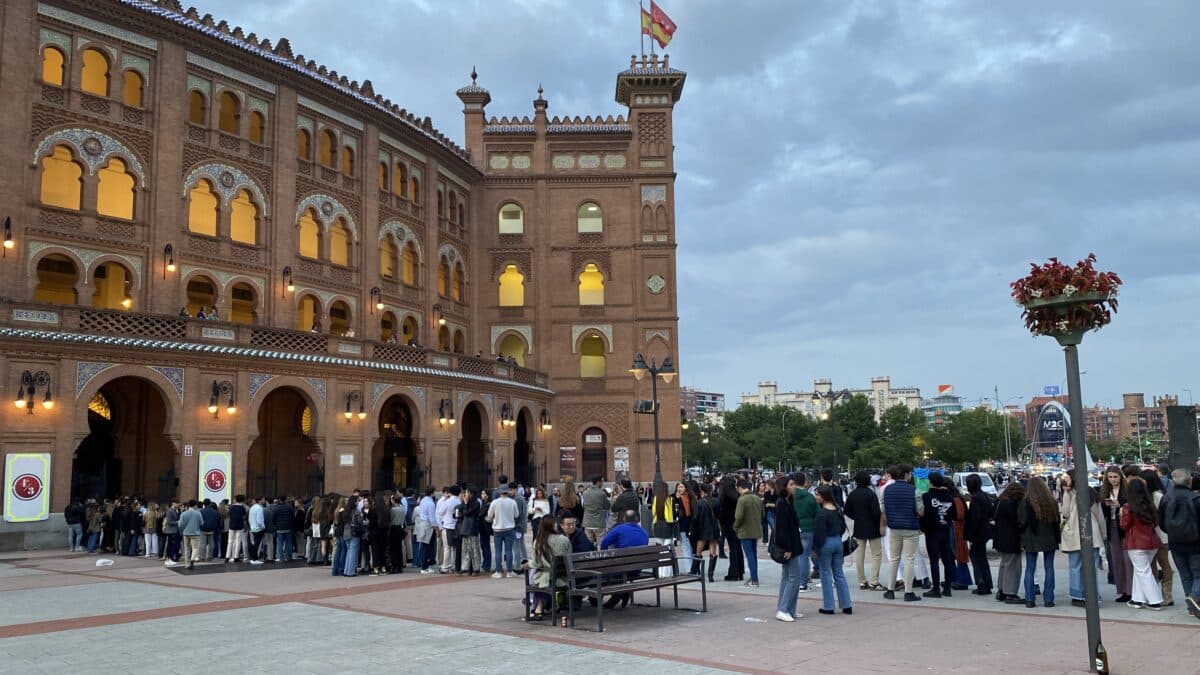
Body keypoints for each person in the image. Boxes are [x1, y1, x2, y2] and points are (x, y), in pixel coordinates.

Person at [1059, 471, 1104, 607]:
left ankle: (1077, 595)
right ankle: (1093, 595)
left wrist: (1066, 493)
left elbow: (1065, 512)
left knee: (1075, 566)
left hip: (1074, 534)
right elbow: (1099, 515)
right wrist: (1103, 534)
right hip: (1092, 532)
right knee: (1091, 567)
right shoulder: (1091, 492)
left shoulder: (1069, 493)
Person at [1160, 469, 1200, 618]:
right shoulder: (1195, 499)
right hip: (1196, 543)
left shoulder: (1166, 498)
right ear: (1189, 481)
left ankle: (1192, 607)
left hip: (1175, 542)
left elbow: (1162, 523)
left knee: (1185, 575)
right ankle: (1194, 598)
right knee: (1198, 574)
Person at [881, 465, 924, 602]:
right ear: (906, 475)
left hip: (894, 528)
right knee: (909, 559)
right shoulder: (913, 490)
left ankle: (890, 590)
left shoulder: (886, 490)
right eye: (910, 473)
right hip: (910, 527)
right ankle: (908, 591)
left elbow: (883, 510)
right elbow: (920, 511)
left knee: (894, 559)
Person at [1122, 477, 1164, 610]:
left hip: (1136, 542)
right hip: (1152, 542)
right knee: (1141, 570)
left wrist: (1120, 514)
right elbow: (1156, 522)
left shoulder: (1128, 507)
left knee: (1142, 571)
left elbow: (1124, 525)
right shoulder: (1150, 504)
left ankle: (1155, 600)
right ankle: (1137, 599)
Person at [1018, 476, 1060, 608]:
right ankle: (1049, 599)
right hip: (1048, 536)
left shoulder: (1026, 502)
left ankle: (1030, 599)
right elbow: (1056, 520)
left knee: (1030, 567)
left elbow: (1021, 521)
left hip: (1031, 537)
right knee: (1049, 567)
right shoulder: (1051, 501)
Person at [813, 484, 852, 615]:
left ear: (823, 496)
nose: (816, 497)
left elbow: (819, 534)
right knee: (839, 574)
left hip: (826, 542)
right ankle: (846, 604)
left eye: (817, 494)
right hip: (837, 541)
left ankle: (829, 606)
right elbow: (842, 528)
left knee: (826, 574)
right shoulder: (837, 509)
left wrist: (816, 548)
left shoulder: (821, 514)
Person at [600, 510, 650, 609]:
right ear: (638, 519)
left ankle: (620, 594)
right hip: (637, 570)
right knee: (616, 571)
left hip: (621, 569)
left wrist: (605, 559)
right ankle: (621, 594)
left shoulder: (619, 529)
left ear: (624, 519)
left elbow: (604, 542)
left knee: (602, 574)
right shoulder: (644, 532)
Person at [773, 475, 805, 622]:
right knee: (794, 578)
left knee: (787, 578)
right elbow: (781, 528)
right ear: (785, 487)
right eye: (791, 484)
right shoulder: (782, 503)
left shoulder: (787, 502)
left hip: (791, 544)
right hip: (789, 545)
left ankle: (787, 608)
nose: (793, 487)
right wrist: (786, 548)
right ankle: (784, 609)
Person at [920, 472, 957, 598]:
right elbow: (954, 515)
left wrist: (923, 527)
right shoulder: (949, 497)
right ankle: (947, 587)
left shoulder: (926, 496)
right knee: (947, 560)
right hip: (945, 529)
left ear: (931, 482)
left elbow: (923, 515)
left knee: (934, 560)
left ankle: (936, 588)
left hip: (931, 531)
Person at [844, 471, 883, 591]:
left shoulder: (853, 494)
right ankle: (874, 581)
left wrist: (857, 517)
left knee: (859, 554)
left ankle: (862, 581)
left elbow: (847, 510)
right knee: (876, 554)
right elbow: (876, 512)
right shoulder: (871, 494)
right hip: (872, 526)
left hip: (859, 526)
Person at [1140, 468, 1174, 606]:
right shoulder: (1144, 496)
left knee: (1163, 563)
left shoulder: (1158, 497)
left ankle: (1167, 595)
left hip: (1160, 536)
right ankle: (1155, 594)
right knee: (1152, 564)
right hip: (1149, 536)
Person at [1100, 466, 1133, 603]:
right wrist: (1107, 505)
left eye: (1115, 477)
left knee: (1128, 560)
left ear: (1120, 476)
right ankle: (1122, 590)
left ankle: (1131, 590)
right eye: (1110, 477)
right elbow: (1103, 511)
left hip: (1126, 526)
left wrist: (1120, 505)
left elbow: (1132, 506)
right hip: (1112, 525)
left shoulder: (1127, 489)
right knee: (1117, 560)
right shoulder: (1104, 490)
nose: (1113, 480)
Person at [528, 517, 571, 620]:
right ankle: (545, 607)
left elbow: (536, 564)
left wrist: (527, 563)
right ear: (552, 525)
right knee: (544, 580)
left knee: (538, 579)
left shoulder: (538, 541)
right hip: (564, 577)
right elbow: (569, 557)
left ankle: (538, 609)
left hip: (548, 577)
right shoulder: (564, 539)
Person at [962, 474, 996, 596]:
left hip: (977, 533)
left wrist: (969, 534)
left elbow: (974, 518)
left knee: (977, 559)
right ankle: (987, 583)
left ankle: (981, 583)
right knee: (982, 558)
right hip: (985, 531)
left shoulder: (975, 498)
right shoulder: (984, 496)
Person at [733, 479, 763, 587]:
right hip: (755, 529)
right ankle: (754, 576)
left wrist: (735, 527)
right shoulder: (757, 498)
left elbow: (739, 516)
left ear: (739, 487)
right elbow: (763, 514)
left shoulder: (742, 500)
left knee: (749, 555)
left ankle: (754, 579)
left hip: (745, 531)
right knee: (753, 555)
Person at [792, 473, 818, 592]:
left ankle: (795, 580)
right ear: (804, 482)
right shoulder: (810, 497)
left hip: (794, 527)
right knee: (804, 556)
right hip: (808, 528)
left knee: (795, 556)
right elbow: (817, 513)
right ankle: (803, 582)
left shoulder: (791, 496)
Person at [486, 485, 520, 578]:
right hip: (509, 528)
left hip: (497, 529)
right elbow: (516, 515)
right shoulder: (512, 502)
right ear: (508, 492)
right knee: (509, 550)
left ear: (500, 492)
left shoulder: (494, 502)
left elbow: (489, 515)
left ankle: (498, 571)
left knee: (498, 551)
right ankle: (509, 571)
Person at [691, 483, 721, 582]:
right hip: (714, 528)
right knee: (713, 552)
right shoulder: (716, 501)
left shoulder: (699, 503)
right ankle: (710, 575)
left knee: (698, 551)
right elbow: (719, 515)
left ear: (701, 491)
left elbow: (696, 519)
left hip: (703, 529)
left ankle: (694, 571)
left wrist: (692, 531)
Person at [719, 477, 744, 582]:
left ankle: (733, 573)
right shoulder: (737, 496)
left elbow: (723, 514)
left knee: (732, 549)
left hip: (729, 525)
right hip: (738, 525)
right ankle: (740, 571)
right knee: (738, 548)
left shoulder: (726, 498)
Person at [457, 487, 483, 575]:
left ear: (471, 494)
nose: (466, 494)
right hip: (465, 527)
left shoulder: (476, 503)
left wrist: (466, 503)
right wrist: (464, 503)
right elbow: (459, 510)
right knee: (466, 549)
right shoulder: (465, 503)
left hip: (472, 528)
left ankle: (476, 568)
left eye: (467, 492)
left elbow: (467, 512)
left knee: (474, 548)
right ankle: (466, 567)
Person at [672, 482, 695, 572]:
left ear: (686, 488)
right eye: (678, 487)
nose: (679, 489)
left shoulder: (686, 498)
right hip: (682, 526)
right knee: (687, 547)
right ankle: (692, 567)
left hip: (687, 526)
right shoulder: (676, 498)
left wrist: (678, 499)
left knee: (687, 547)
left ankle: (690, 568)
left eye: (681, 487)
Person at [581, 476, 611, 545]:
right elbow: (608, 506)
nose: (603, 483)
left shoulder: (585, 493)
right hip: (599, 523)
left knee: (588, 545)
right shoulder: (601, 494)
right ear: (598, 482)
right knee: (600, 545)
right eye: (602, 481)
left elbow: (584, 506)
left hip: (587, 522)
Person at [178, 500, 204, 570]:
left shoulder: (184, 514)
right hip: (195, 533)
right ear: (195, 505)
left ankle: (187, 564)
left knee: (187, 548)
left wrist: (183, 529)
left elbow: (180, 524)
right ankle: (192, 559)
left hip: (186, 533)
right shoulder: (198, 513)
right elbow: (202, 523)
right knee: (195, 548)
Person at [388, 494, 407, 574]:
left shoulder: (392, 510)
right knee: (399, 548)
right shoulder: (402, 508)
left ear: (394, 500)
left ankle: (394, 566)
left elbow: (390, 520)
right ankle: (399, 566)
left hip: (394, 528)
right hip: (400, 528)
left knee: (393, 549)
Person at [226, 495, 248, 563]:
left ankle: (227, 557)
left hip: (231, 526)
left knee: (230, 541)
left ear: (236, 499)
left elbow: (229, 515)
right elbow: (244, 517)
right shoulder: (242, 508)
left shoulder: (231, 507)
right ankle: (236, 557)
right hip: (239, 526)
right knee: (238, 541)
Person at [272, 496, 295, 562]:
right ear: (286, 499)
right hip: (288, 528)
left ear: (279, 500)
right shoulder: (290, 507)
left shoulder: (277, 507)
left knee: (280, 543)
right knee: (289, 543)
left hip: (279, 528)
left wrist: (276, 525)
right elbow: (293, 517)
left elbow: (273, 518)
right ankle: (289, 557)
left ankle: (280, 558)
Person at [162, 501, 181, 565]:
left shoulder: (175, 510)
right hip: (171, 531)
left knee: (172, 545)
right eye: (177, 503)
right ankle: (169, 559)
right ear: (173, 503)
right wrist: (178, 522)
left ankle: (170, 558)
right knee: (171, 545)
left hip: (174, 530)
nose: (178, 504)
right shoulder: (170, 511)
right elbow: (169, 521)